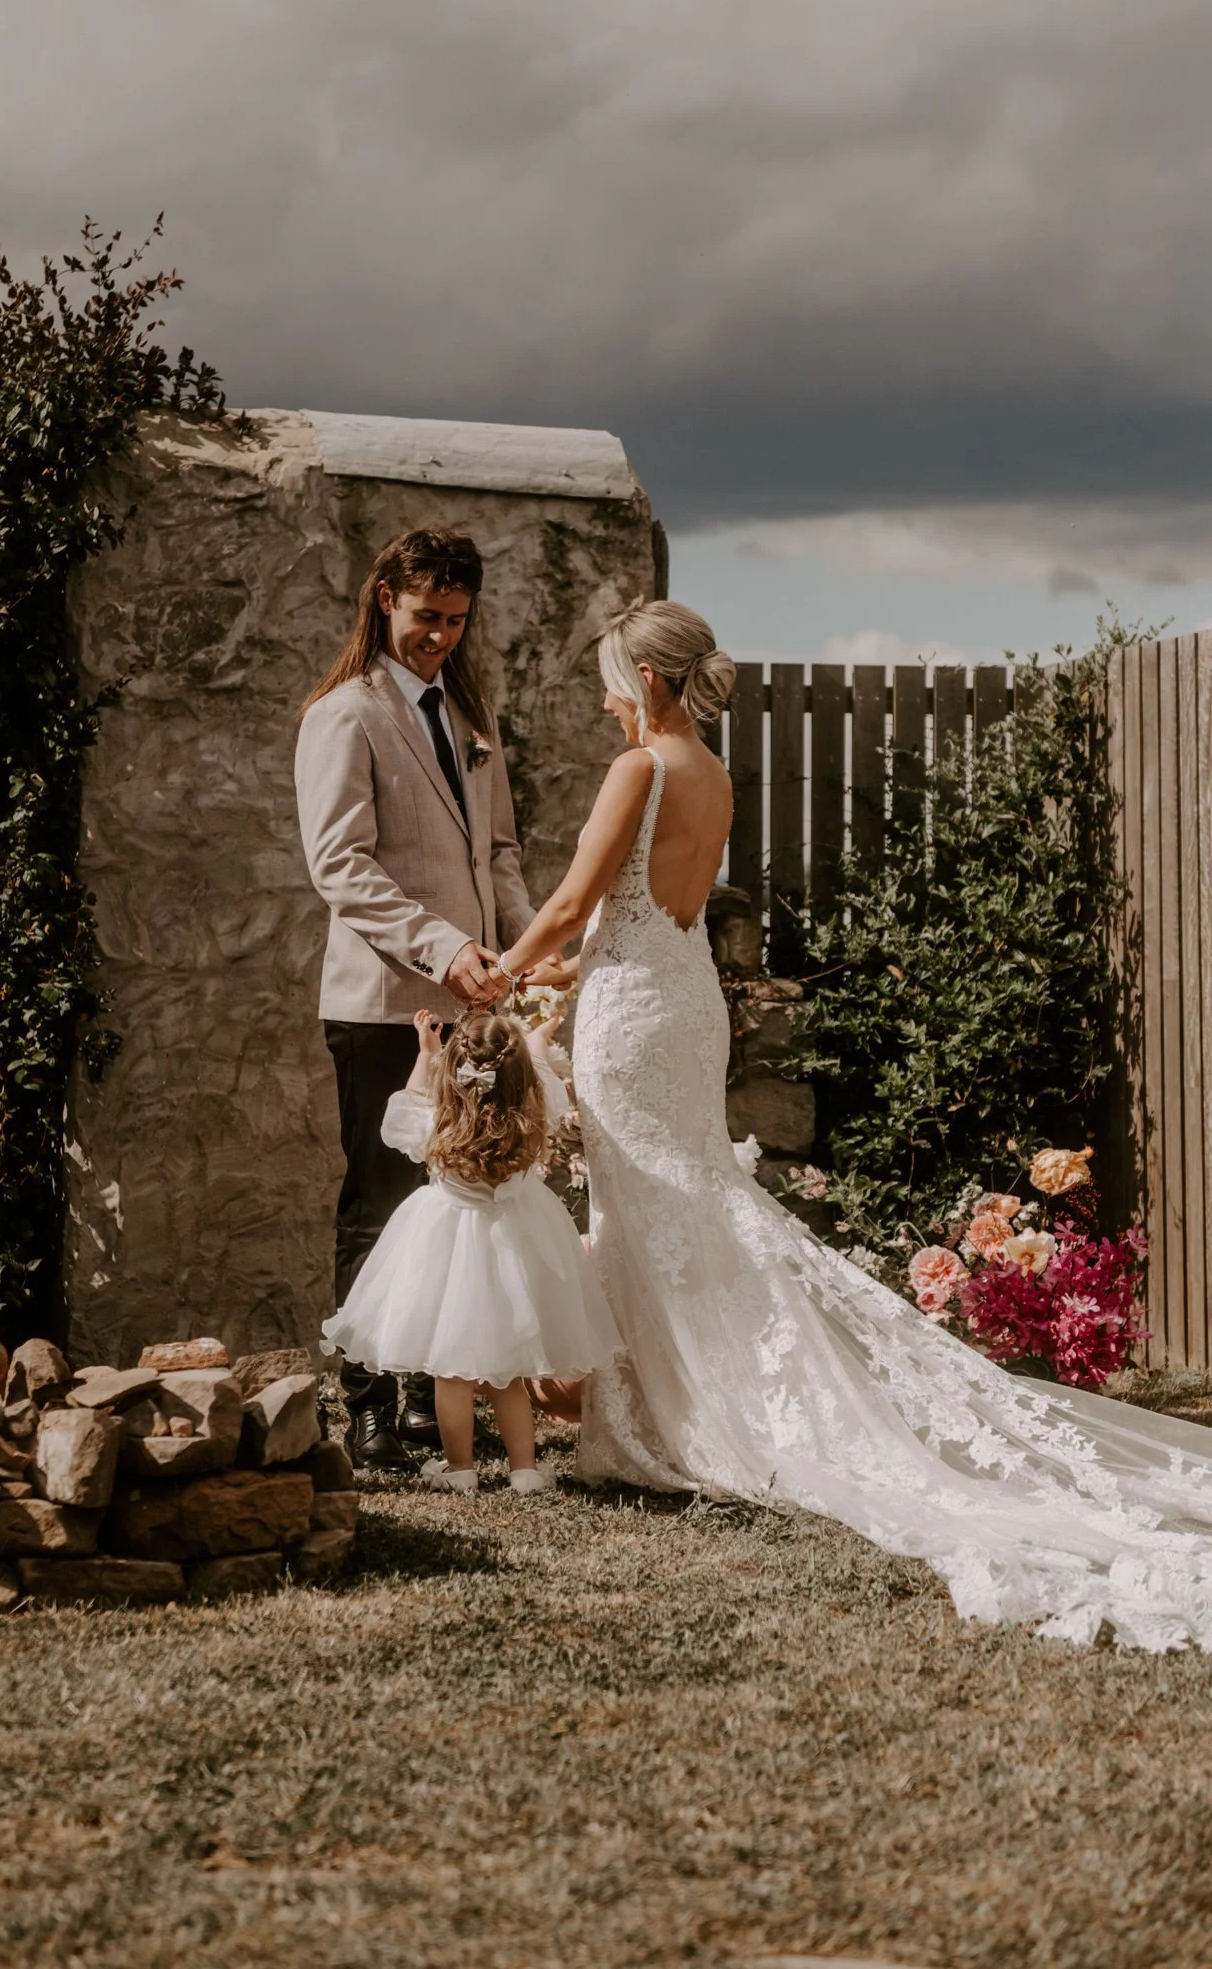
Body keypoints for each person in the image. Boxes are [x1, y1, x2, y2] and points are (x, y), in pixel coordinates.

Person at [500, 599, 1212, 1651]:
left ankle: (679, 1415)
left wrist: (492, 970)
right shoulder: (717, 776)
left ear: (649, 679)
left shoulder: (639, 769)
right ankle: (649, 1407)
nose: (606, 698)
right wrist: (573, 961)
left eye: (612, 677)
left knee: (654, 1201)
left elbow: (571, 904)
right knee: (685, 1198)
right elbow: (658, 912)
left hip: (633, 1021)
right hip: (683, 1002)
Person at [295, 528, 534, 1471]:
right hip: (383, 1003)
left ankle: (439, 1405)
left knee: (462, 1207)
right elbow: (339, 866)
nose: (439, 636)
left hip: (476, 1003)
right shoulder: (342, 715)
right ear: (383, 598)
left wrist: (516, 951)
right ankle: (365, 1406)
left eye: (456, 621)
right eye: (426, 617)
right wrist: (445, 948)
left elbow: (500, 853)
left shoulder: (470, 715)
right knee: (381, 1204)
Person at [319, 1007, 622, 1494]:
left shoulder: (436, 1115)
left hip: (450, 1248)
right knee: (509, 1373)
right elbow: (544, 1077)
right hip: (516, 1245)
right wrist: (539, 1036)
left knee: (451, 1374)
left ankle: (459, 1469)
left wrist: (426, 1055)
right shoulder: (533, 1110)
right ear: (518, 1072)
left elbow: (404, 1109)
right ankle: (524, 1469)